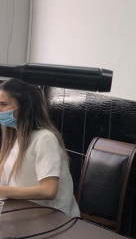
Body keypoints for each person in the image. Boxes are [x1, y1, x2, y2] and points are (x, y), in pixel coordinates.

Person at [0, 78, 80, 217]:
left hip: (55, 220)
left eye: (3, 104)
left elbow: (49, 190)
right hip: (26, 214)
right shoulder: (14, 138)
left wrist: (4, 191)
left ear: (25, 106)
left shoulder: (45, 139)